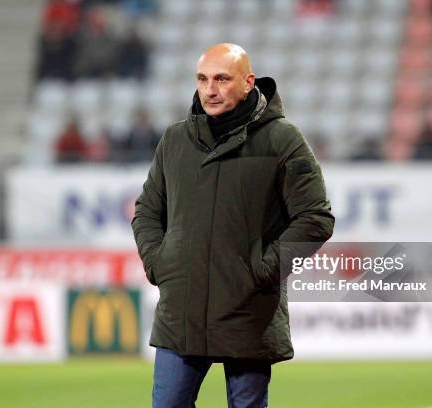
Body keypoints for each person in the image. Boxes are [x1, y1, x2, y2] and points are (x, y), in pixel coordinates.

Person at [132, 43, 335, 407]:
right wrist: (159, 263)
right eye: (202, 79)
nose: (210, 89)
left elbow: (315, 218)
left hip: (247, 310)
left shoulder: (282, 139)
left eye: (222, 79)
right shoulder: (175, 140)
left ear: (248, 83)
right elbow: (147, 210)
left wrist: (263, 269)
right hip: (182, 311)